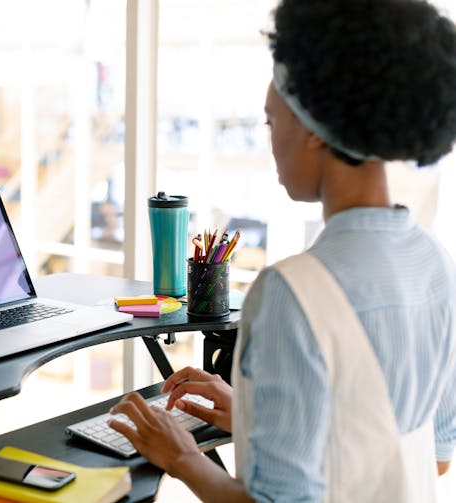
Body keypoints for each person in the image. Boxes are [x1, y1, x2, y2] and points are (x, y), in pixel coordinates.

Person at [108, 0, 456, 501]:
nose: (270, 143)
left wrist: (180, 455)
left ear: (312, 130)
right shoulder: (436, 263)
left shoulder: (292, 293)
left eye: (271, 123)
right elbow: (430, 455)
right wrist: (259, 415)